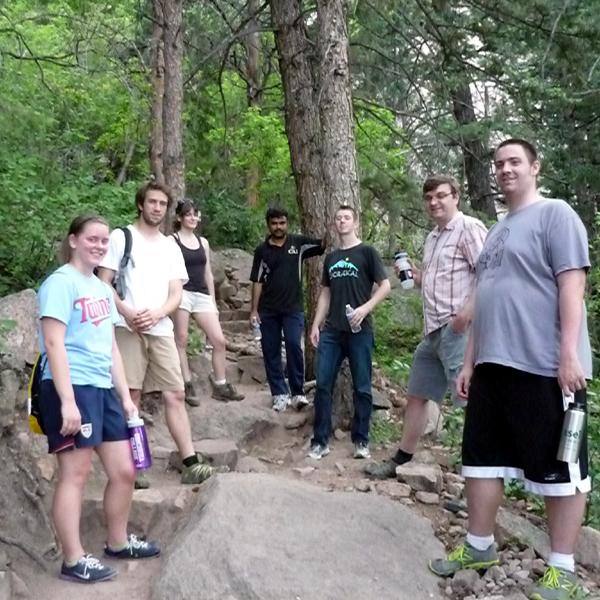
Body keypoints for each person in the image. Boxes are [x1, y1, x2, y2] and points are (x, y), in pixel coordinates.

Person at [429, 139, 592, 600]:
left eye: (514, 162)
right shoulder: (498, 230)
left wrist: (568, 354)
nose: (504, 169)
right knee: (481, 459)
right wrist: (469, 361)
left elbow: (572, 284)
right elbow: (485, 293)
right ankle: (480, 545)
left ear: (535, 166)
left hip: (545, 366)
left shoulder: (555, 214)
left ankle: (563, 568)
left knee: (561, 465)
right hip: (493, 365)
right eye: (499, 164)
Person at [38, 214, 160, 583]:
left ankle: (118, 542)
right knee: (74, 474)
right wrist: (68, 401)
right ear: (73, 240)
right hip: (70, 386)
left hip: (103, 388)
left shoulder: (102, 288)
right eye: (92, 239)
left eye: (104, 241)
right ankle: (73, 560)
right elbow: (54, 342)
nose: (99, 245)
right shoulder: (61, 283)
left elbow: (110, 347)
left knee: (124, 471)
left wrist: (125, 398)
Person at [366, 175, 487, 479]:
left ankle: (479, 472)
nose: (434, 202)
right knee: (417, 394)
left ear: (455, 197)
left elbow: (491, 274)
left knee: (470, 400)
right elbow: (436, 280)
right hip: (432, 332)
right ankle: (402, 459)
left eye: (441, 196)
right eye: (429, 197)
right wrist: (415, 275)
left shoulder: (468, 228)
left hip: (459, 330)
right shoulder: (434, 237)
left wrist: (465, 316)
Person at [98, 182, 217, 488]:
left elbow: (177, 291)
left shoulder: (169, 246)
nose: (157, 208)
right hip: (127, 327)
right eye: (152, 202)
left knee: (175, 393)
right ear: (141, 204)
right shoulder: (121, 237)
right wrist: (126, 311)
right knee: (131, 395)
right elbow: (103, 282)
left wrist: (159, 313)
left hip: (160, 328)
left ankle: (190, 461)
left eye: (162, 204)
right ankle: (130, 466)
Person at [308, 205, 391, 460]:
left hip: (360, 330)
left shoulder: (367, 252)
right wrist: (315, 324)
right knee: (323, 385)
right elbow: (325, 293)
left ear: (355, 222)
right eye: (338, 218)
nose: (341, 221)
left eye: (346, 218)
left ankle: (361, 440)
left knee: (363, 387)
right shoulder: (331, 258)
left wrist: (365, 309)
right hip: (332, 331)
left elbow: (385, 286)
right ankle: (320, 441)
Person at [250, 207, 324, 411]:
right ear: (268, 225)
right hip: (268, 309)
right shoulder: (262, 250)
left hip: (293, 308)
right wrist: (254, 310)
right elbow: (257, 280)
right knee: (270, 350)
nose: (278, 227)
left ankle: (298, 392)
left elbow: (322, 245)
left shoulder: (298, 244)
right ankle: (279, 393)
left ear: (287, 224)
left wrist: (335, 222)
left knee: (293, 345)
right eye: (274, 223)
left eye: (282, 223)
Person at [171, 198, 244, 404]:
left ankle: (220, 384)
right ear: (179, 217)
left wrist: (212, 300)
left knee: (219, 341)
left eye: (195, 214)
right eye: (188, 214)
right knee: (181, 338)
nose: (193, 217)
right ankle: (186, 384)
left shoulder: (203, 242)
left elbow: (207, 272)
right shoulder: (172, 241)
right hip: (182, 292)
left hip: (201, 294)